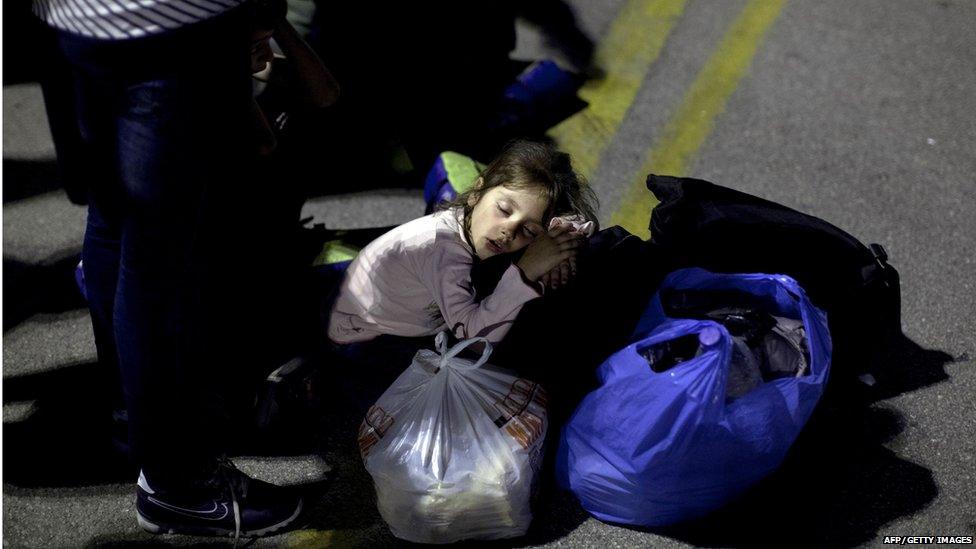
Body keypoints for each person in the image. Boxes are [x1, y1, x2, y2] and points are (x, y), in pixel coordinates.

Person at [30, 0, 304, 540]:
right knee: (162, 265)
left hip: (74, 20)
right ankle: (179, 488)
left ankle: (135, 417)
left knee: (116, 224)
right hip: (171, 30)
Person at [326, 140, 598, 358]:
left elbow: (581, 220)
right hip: (365, 335)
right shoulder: (440, 251)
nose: (509, 230)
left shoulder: (477, 222)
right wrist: (525, 271)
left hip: (407, 307)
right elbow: (476, 340)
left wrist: (561, 245)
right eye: (504, 210)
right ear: (477, 193)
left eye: (529, 230)